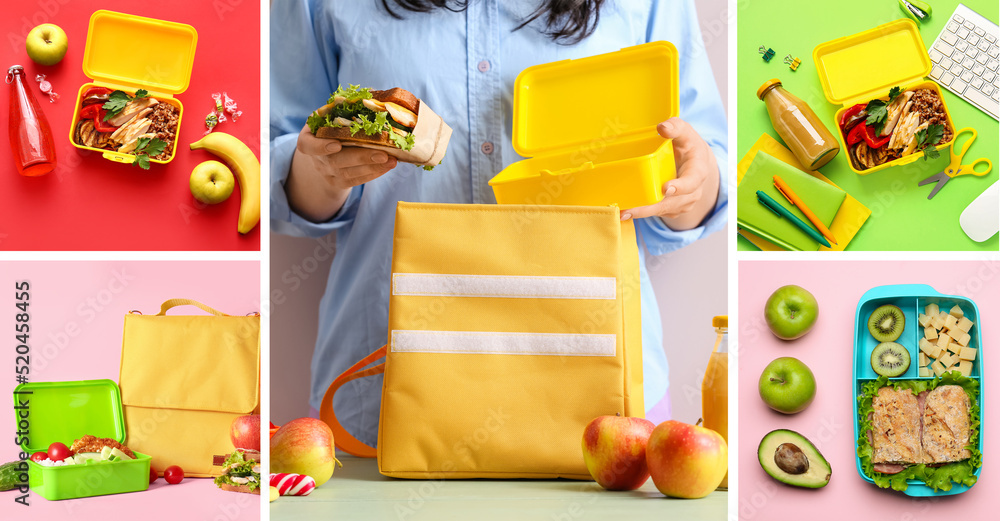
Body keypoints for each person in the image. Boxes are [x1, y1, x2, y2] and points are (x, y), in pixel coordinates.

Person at [271, 0, 728, 447]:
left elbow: (701, 176)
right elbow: (278, 172)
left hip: (597, 380)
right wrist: (323, 170)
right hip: (382, 385)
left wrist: (689, 184)